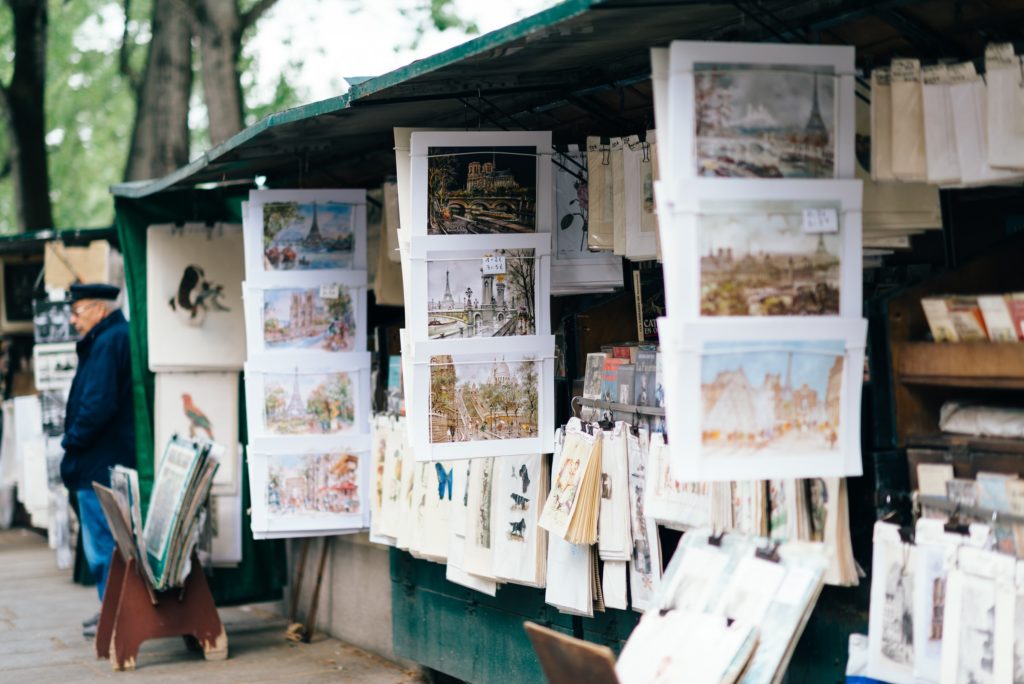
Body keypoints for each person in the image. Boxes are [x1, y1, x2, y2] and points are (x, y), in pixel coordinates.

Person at [60, 283, 136, 637]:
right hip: (103, 457)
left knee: (103, 544)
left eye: (78, 311)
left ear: (99, 309)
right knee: (105, 542)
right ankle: (110, 608)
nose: (73, 320)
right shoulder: (110, 337)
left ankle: (116, 613)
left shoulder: (108, 341)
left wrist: (72, 441)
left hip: (99, 460)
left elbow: (97, 405)